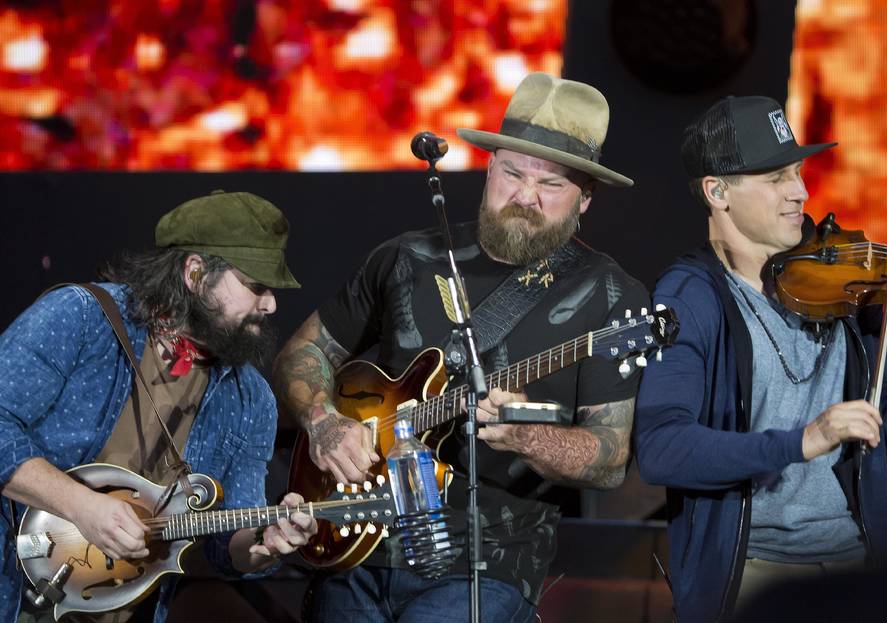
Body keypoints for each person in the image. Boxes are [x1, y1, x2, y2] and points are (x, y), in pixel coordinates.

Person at [633, 95, 887, 622]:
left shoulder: (847, 285)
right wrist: (804, 440)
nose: (800, 193)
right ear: (718, 192)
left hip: (857, 568)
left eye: (799, 173)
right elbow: (663, 449)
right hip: (751, 577)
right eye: (776, 177)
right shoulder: (692, 296)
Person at [273, 72, 649, 622]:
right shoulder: (407, 258)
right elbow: (300, 354)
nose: (523, 197)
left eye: (551, 186)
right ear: (489, 167)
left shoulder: (609, 295)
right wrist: (323, 421)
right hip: (357, 543)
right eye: (512, 173)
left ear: (585, 199)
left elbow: (610, 459)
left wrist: (525, 437)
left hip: (484, 565)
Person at [0, 191, 319, 623]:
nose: (270, 304)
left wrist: (263, 543)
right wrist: (82, 506)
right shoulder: (79, 318)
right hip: (13, 589)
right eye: (255, 285)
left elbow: (223, 546)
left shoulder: (251, 399)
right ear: (195, 273)